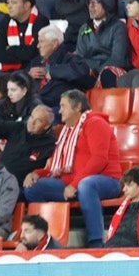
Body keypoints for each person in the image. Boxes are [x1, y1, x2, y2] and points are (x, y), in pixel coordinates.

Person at [20, 90, 121, 245]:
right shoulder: (66, 131)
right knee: (33, 188)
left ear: (78, 106)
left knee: (86, 185)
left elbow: (99, 160)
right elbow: (57, 165)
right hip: (72, 183)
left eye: (63, 106)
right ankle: (48, 239)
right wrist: (37, 173)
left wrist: (74, 184)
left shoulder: (95, 123)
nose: (59, 111)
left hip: (107, 181)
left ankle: (96, 243)